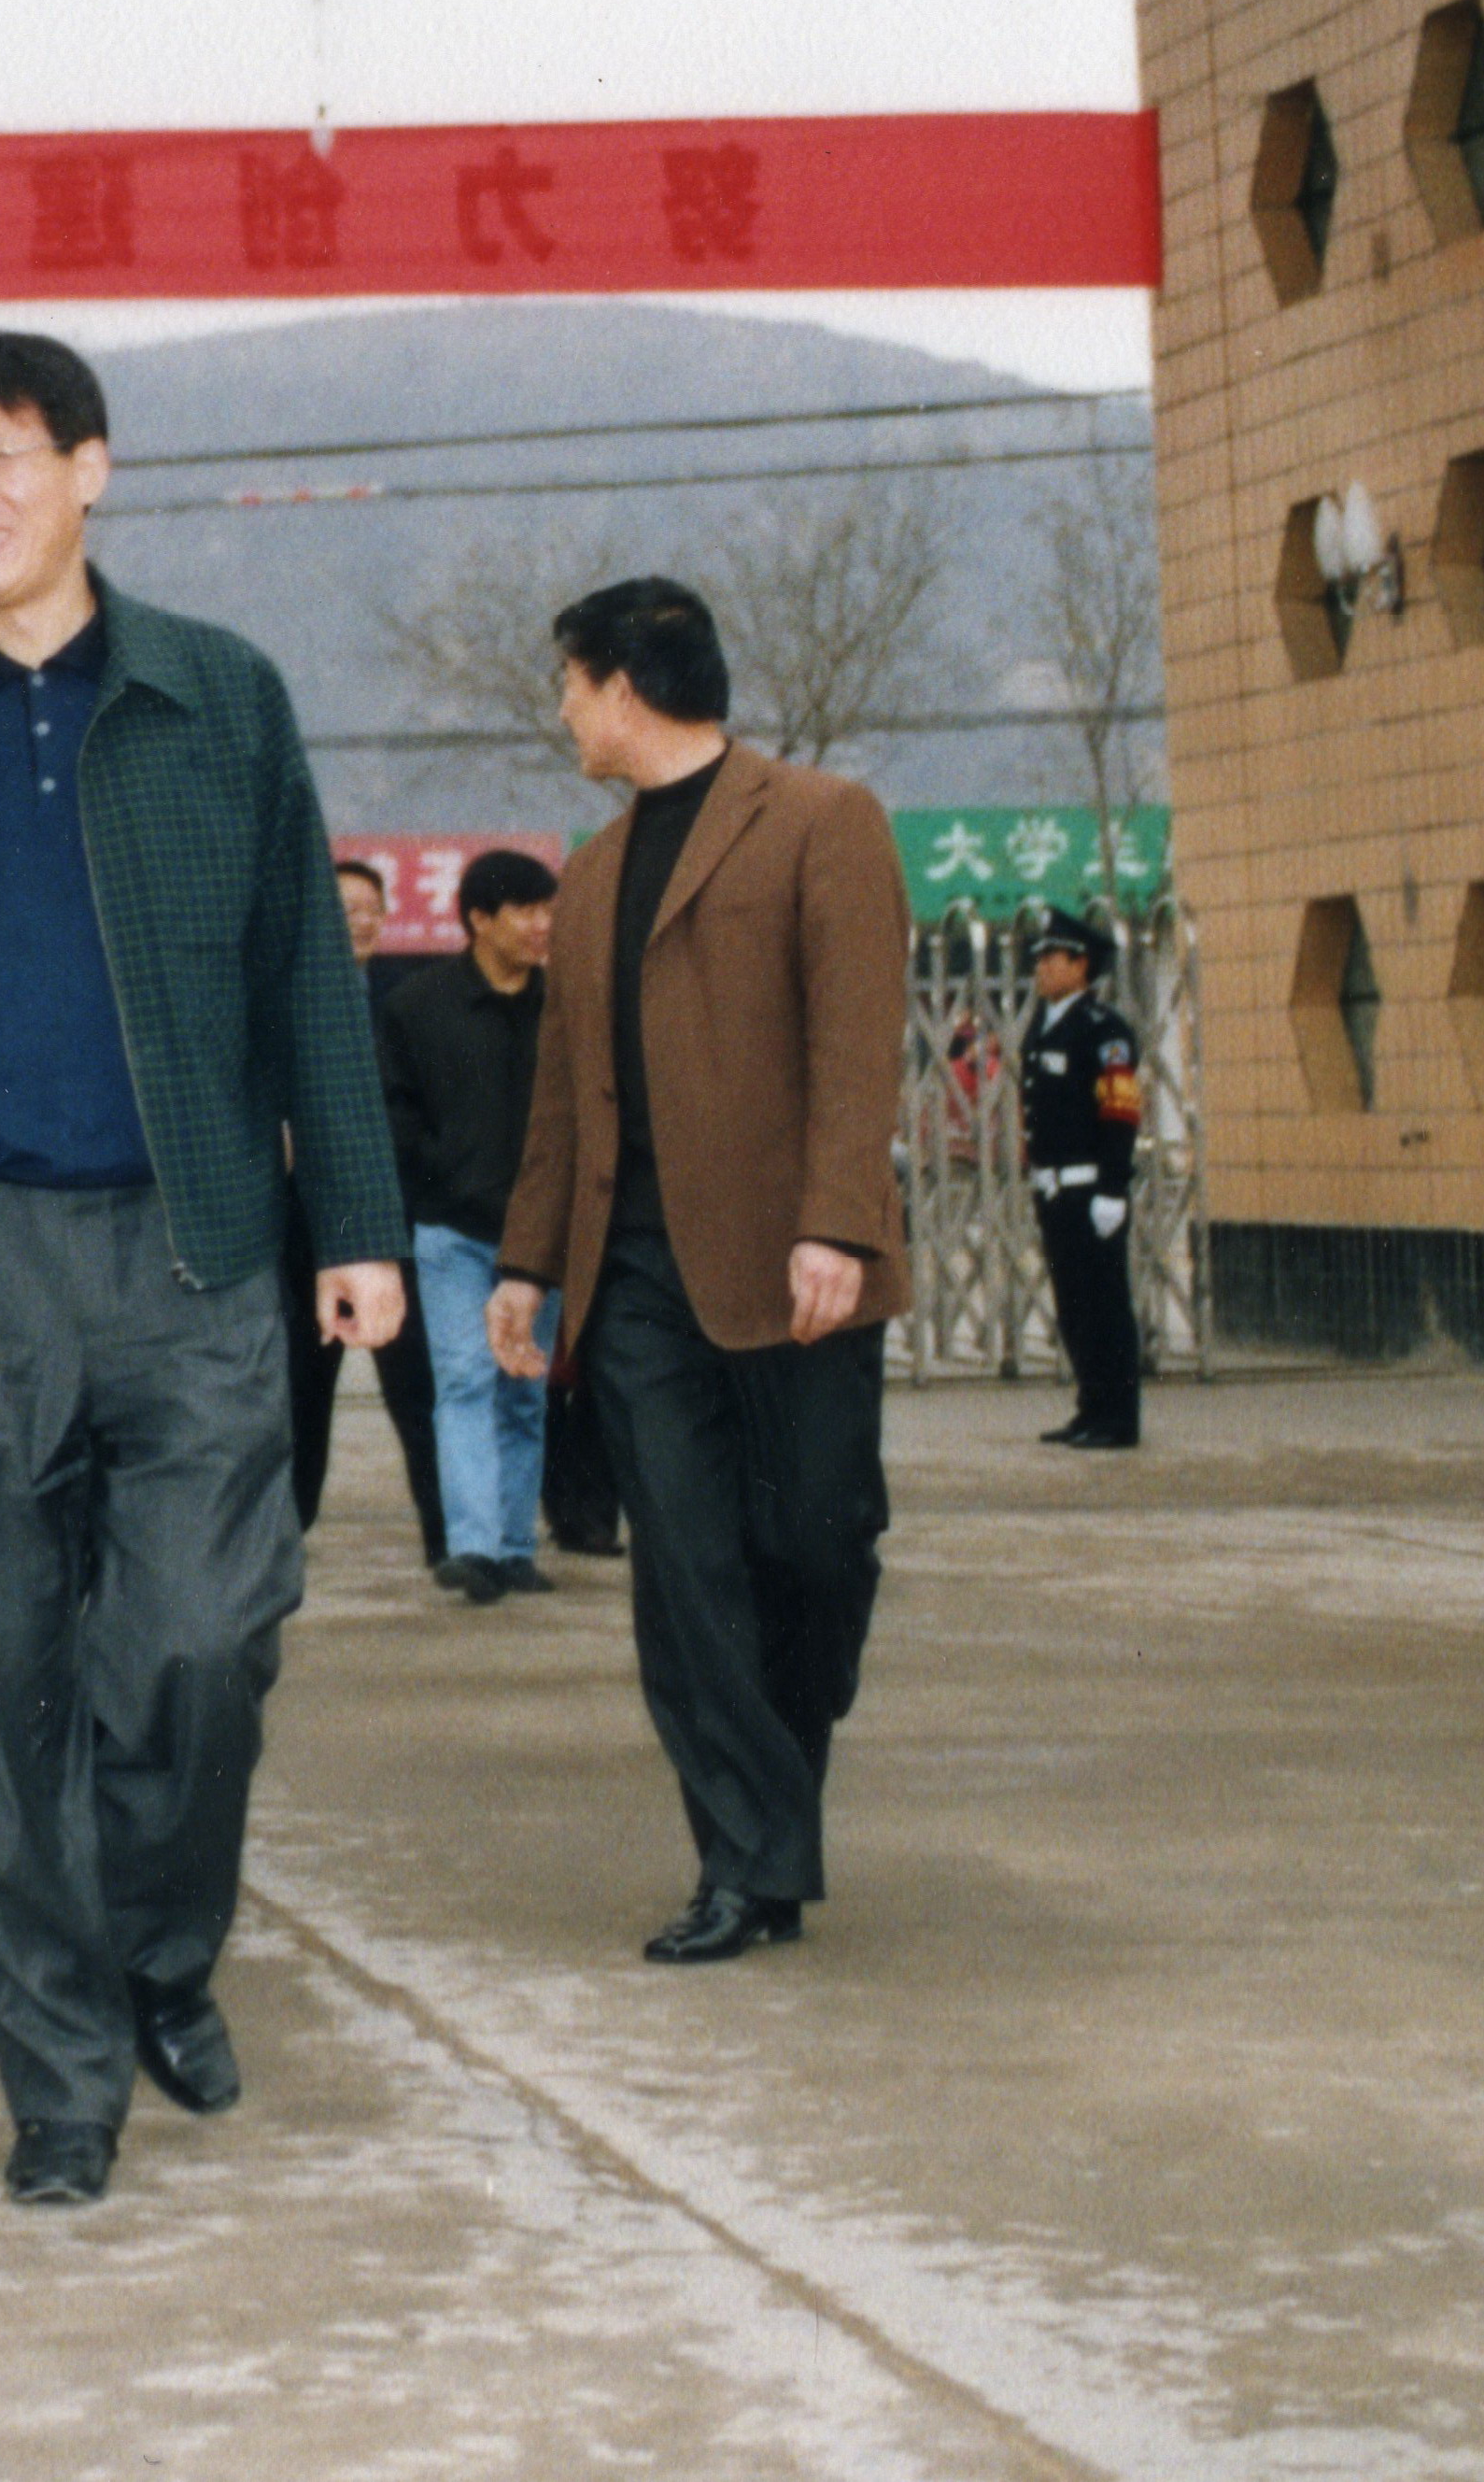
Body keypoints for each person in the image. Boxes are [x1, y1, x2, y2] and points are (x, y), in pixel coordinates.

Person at [0, 333, 406, 2209]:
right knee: (1, 1682)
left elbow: (305, 971)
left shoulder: (219, 696)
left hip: (191, 1238)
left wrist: (355, 1219)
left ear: (90, 469)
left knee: (201, 1644)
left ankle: (158, 1950)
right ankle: (59, 2068)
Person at [488, 574, 912, 1967]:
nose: (563, 713)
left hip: (794, 1267)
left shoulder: (820, 821)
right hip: (637, 1282)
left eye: (569, 685)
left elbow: (857, 1040)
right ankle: (745, 1861)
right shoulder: (593, 872)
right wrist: (527, 1262)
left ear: (622, 686)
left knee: (815, 1551)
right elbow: (564, 1096)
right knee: (685, 1572)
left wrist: (836, 1222)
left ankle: (770, 1811)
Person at [379, 845, 560, 1603]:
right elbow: (395, 1112)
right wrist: (438, 1179)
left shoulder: (565, 1004)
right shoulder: (418, 1005)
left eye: (547, 909)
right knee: (463, 1378)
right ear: (480, 919)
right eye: (525, 910)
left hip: (539, 1240)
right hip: (452, 1230)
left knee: (524, 1391)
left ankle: (515, 1546)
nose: (541, 924)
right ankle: (475, 1546)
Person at [286, 858, 445, 1569]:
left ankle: (449, 1536)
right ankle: (289, 1528)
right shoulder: (289, 995)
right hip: (300, 1222)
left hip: (394, 1217)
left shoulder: (410, 995)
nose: (360, 920)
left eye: (370, 908)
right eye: (344, 907)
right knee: (301, 1384)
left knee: (419, 1384)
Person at [1020, 912, 1151, 1451]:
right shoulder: (1044, 1024)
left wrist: (1114, 1188)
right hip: (1053, 1188)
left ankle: (1119, 1418)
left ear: (1081, 965)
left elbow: (1120, 1111)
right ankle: (1091, 1407)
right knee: (1074, 1305)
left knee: (1105, 1305)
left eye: (1052, 958)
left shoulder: (1103, 1030)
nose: (1042, 968)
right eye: (1040, 959)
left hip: (1091, 1188)